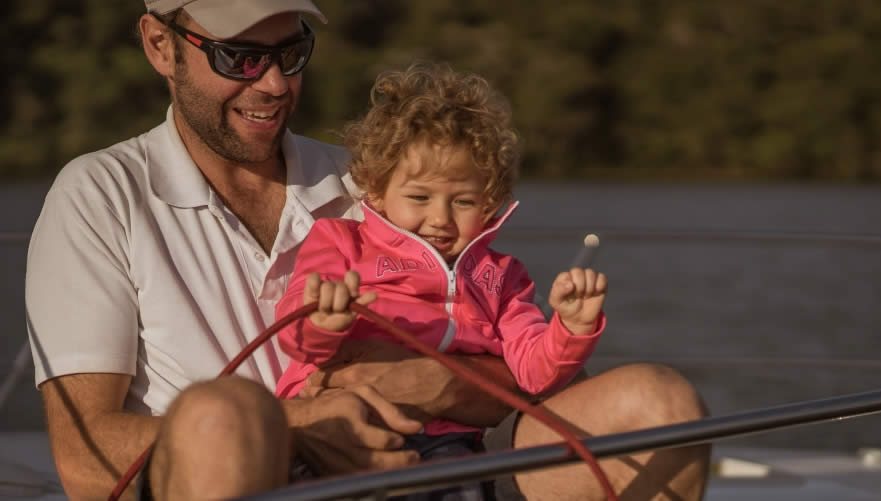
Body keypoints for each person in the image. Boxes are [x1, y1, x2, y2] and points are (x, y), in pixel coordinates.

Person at [23, 1, 711, 500]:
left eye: (291, 53)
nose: (272, 84)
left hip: (427, 460)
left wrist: (435, 382)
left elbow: (504, 344)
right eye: (240, 56)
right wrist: (297, 424)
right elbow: (85, 462)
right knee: (224, 412)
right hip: (227, 477)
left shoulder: (375, 182)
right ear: (157, 44)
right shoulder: (100, 193)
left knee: (658, 401)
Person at [273, 64, 608, 497]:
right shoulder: (340, 242)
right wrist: (322, 321)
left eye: (463, 201)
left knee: (460, 485)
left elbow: (533, 373)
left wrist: (572, 329)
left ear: (488, 201)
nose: (440, 219)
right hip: (340, 421)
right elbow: (296, 338)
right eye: (419, 197)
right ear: (375, 189)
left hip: (450, 439)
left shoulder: (502, 277)